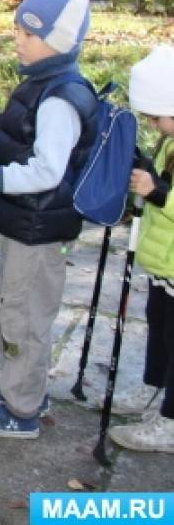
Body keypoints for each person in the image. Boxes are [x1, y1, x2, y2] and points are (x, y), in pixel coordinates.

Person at [0, 0, 97, 438]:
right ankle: (21, 385)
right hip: (28, 223)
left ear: (59, 40)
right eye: (17, 31)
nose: (18, 40)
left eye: (28, 34)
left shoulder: (58, 96)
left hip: (38, 225)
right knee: (15, 308)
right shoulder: (44, 84)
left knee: (24, 317)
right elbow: (32, 144)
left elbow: (48, 170)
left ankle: (21, 409)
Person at [108, 45, 174, 453]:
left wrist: (158, 194)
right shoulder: (170, 141)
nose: (152, 123)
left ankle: (170, 423)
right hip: (163, 262)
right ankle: (155, 390)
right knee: (160, 328)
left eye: (155, 116)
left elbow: (167, 196)